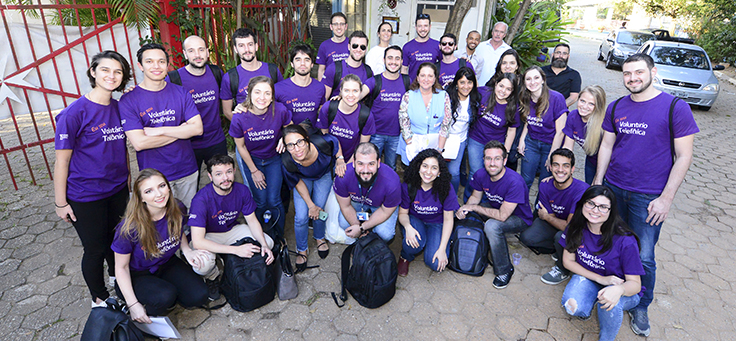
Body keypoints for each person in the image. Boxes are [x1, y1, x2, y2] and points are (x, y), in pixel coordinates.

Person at [593, 53, 698, 337]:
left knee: (645, 255)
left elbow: (683, 156)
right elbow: (607, 146)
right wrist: (599, 183)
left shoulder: (675, 107)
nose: (632, 78)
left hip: (648, 197)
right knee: (610, 242)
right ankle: (612, 286)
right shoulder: (616, 107)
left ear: (652, 71)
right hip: (614, 189)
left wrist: (666, 198)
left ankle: (641, 304)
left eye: (638, 72)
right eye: (627, 74)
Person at [54, 50, 132, 308]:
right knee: (95, 248)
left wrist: (128, 181)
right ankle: (99, 299)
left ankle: (117, 279)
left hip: (117, 189)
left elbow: (122, 148)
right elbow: (62, 161)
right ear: (93, 72)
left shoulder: (119, 107)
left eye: (118, 71)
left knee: (117, 239)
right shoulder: (73, 114)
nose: (111, 76)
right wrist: (60, 202)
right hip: (86, 195)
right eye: (105, 70)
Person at [112, 169, 210, 323]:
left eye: (162, 186)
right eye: (149, 191)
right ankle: (133, 310)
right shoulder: (129, 228)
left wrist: (186, 250)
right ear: (141, 198)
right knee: (165, 296)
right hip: (137, 274)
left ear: (168, 187)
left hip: (166, 263)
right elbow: (120, 268)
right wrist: (133, 304)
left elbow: (179, 231)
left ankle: (167, 295)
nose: (159, 194)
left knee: (199, 295)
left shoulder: (177, 207)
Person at [119, 43, 203, 208]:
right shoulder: (129, 100)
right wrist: (182, 130)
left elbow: (197, 129)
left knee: (189, 218)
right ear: (140, 66)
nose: (156, 66)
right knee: (162, 224)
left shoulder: (180, 92)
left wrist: (158, 131)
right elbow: (140, 143)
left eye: (161, 61)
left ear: (167, 64)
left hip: (187, 170)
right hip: (154, 177)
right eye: (149, 61)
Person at [559, 185, 645, 341]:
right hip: (593, 278)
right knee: (572, 306)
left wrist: (618, 290)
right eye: (591, 203)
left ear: (611, 211)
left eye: (603, 207)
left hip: (624, 289)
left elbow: (635, 285)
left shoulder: (625, 240)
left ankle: (606, 338)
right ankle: (589, 304)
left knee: (609, 303)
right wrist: (600, 279)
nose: (595, 210)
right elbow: (567, 261)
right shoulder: (576, 226)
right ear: (583, 203)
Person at [188, 154, 274, 300]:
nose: (225, 178)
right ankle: (213, 276)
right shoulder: (200, 200)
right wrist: (236, 250)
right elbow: (198, 241)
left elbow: (252, 221)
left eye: (228, 172)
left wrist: (264, 245)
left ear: (234, 171)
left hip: (231, 230)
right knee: (202, 265)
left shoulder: (242, 190)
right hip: (209, 236)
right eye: (218, 174)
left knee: (268, 243)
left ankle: (236, 265)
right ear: (210, 176)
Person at [457, 140, 532, 289]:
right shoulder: (480, 174)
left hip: (519, 218)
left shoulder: (514, 181)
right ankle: (479, 247)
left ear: (504, 160)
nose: (492, 163)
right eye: (488, 158)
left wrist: (475, 208)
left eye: (497, 159)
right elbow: (475, 198)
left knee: (492, 226)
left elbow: (503, 216)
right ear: (483, 159)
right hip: (496, 208)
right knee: (468, 213)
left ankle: (504, 269)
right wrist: (465, 209)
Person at [228, 76, 292, 237]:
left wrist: (284, 138)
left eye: (267, 93)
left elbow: (291, 129)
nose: (262, 98)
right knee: (261, 201)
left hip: (274, 159)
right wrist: (254, 171)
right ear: (249, 93)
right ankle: (262, 236)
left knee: (274, 200)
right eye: (257, 92)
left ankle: (278, 237)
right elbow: (240, 147)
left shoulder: (280, 110)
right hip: (253, 160)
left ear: (272, 96)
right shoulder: (239, 117)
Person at [517, 148, 588, 284]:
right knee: (527, 237)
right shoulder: (545, 184)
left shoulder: (582, 190)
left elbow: (568, 225)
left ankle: (563, 270)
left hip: (577, 231)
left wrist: (547, 218)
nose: (560, 170)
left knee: (562, 235)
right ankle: (559, 247)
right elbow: (550, 215)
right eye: (556, 165)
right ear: (550, 167)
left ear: (572, 169)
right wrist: (549, 218)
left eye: (565, 166)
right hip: (557, 222)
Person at [166, 35, 227, 185]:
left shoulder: (216, 73)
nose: (197, 55)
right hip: (188, 145)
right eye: (192, 51)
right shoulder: (174, 78)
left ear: (207, 52)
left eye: (201, 50)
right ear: (185, 54)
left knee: (223, 182)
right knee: (191, 189)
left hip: (216, 140)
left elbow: (230, 95)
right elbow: (153, 93)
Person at [281, 125, 339, 271]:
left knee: (320, 207)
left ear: (307, 140)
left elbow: (335, 142)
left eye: (299, 142)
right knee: (301, 216)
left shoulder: (322, 142)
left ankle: (319, 237)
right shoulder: (287, 160)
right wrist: (310, 204)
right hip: (302, 179)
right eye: (290, 145)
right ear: (286, 147)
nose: (297, 148)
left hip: (324, 175)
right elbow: (296, 182)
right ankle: (302, 249)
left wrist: (340, 159)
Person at [397, 149, 459, 276]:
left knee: (436, 265)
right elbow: (402, 213)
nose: (428, 172)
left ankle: (441, 243)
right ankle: (405, 256)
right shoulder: (409, 185)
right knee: (416, 243)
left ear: (439, 172)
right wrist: (408, 227)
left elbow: (448, 220)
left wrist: (441, 249)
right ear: (418, 167)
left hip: (437, 223)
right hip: (415, 219)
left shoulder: (446, 188)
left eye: (434, 168)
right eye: (425, 166)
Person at [464, 73, 520, 200]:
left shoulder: (513, 107)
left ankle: (483, 202)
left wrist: (505, 151)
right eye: (501, 86)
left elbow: (512, 130)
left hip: (495, 145)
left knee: (490, 172)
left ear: (512, 91)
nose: (503, 91)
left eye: (508, 89)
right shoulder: (483, 93)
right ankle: (468, 199)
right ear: (495, 84)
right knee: (476, 172)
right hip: (476, 139)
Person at [333, 142, 401, 242]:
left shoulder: (392, 181)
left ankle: (373, 239)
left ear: (378, 163)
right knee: (344, 224)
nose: (365, 170)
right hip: (358, 202)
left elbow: (385, 211)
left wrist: (361, 228)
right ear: (354, 162)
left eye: (371, 164)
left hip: (381, 206)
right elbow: (345, 206)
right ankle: (365, 236)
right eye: (360, 164)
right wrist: (357, 227)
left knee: (385, 234)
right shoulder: (343, 177)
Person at [517, 66, 569, 190]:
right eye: (528, 79)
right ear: (524, 83)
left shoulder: (557, 98)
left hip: (550, 144)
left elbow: (560, 132)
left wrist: (552, 155)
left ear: (543, 80)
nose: (532, 82)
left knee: (545, 182)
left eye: (536, 78)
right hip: (531, 142)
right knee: (526, 179)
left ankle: (539, 208)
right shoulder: (525, 98)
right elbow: (527, 121)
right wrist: (522, 140)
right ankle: (521, 206)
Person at [220, 27, 284, 121]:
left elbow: (282, 99)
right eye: (241, 45)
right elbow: (227, 111)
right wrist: (245, 128)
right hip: (249, 131)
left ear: (256, 46)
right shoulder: (230, 77)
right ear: (236, 49)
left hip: (273, 128)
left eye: (250, 44)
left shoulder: (272, 70)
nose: (247, 49)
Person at [362, 45, 409, 170]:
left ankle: (388, 189)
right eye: (390, 58)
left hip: (396, 134)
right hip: (375, 133)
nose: (393, 62)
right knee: (372, 166)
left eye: (397, 58)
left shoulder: (407, 82)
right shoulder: (374, 81)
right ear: (384, 60)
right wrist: (342, 95)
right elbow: (357, 94)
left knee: (391, 167)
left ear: (402, 61)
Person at [316, 74, 376, 171]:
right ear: (341, 91)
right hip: (328, 160)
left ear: (361, 92)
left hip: (352, 160)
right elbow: (324, 136)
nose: (351, 95)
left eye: (355, 91)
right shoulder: (329, 108)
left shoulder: (366, 115)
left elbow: (362, 146)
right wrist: (338, 158)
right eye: (346, 90)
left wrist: (346, 166)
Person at [398, 62, 452, 166]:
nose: (426, 79)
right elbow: (404, 123)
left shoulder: (444, 96)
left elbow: (445, 125)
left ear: (435, 78)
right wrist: (410, 145)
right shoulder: (408, 96)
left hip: (435, 146)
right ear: (417, 78)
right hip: (411, 145)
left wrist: (439, 150)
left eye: (430, 76)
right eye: (422, 75)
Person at [275, 44, 326, 132]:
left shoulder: (320, 87)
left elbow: (322, 112)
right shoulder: (278, 89)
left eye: (307, 60)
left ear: (312, 64)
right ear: (292, 64)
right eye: (298, 60)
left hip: (312, 138)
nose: (302, 63)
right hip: (288, 138)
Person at [444, 66, 479, 193]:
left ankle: (451, 197)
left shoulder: (475, 100)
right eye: (462, 82)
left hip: (460, 140)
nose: (466, 86)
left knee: (453, 172)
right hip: (443, 139)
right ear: (456, 83)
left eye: (469, 82)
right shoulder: (447, 97)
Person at [562, 85, 606, 184]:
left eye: (591, 104)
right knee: (588, 189)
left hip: (608, 165)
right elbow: (567, 146)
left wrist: (598, 178)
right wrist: (563, 168)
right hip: (591, 159)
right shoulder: (573, 116)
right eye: (582, 101)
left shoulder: (604, 124)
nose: (584, 107)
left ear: (598, 106)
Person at [322, 30, 373, 100]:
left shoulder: (368, 71)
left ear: (366, 49)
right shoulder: (333, 69)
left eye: (362, 47)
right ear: (349, 47)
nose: (358, 49)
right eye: (355, 46)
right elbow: (323, 99)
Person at [402, 13, 441, 82]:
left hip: (431, 87)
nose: (423, 29)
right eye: (420, 26)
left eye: (425, 26)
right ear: (415, 27)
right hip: (413, 87)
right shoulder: (407, 47)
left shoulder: (437, 45)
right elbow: (404, 69)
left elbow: (445, 63)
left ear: (430, 27)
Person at [542, 43, 582, 107]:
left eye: (564, 53)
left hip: (560, 110)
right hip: (539, 107)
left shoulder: (574, 75)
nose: (560, 56)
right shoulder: (541, 71)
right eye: (558, 52)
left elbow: (574, 97)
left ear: (568, 56)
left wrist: (558, 107)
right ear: (553, 54)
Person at [476, 22, 511, 87]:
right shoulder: (480, 46)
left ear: (504, 35)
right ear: (492, 32)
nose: (498, 34)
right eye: (496, 31)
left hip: (497, 90)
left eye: (501, 32)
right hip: (478, 87)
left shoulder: (508, 50)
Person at [317, 12, 349, 81]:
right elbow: (321, 70)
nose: (339, 27)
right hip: (330, 87)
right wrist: (321, 90)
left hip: (349, 87)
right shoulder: (324, 46)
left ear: (346, 26)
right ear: (331, 27)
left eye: (342, 24)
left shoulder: (352, 44)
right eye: (335, 24)